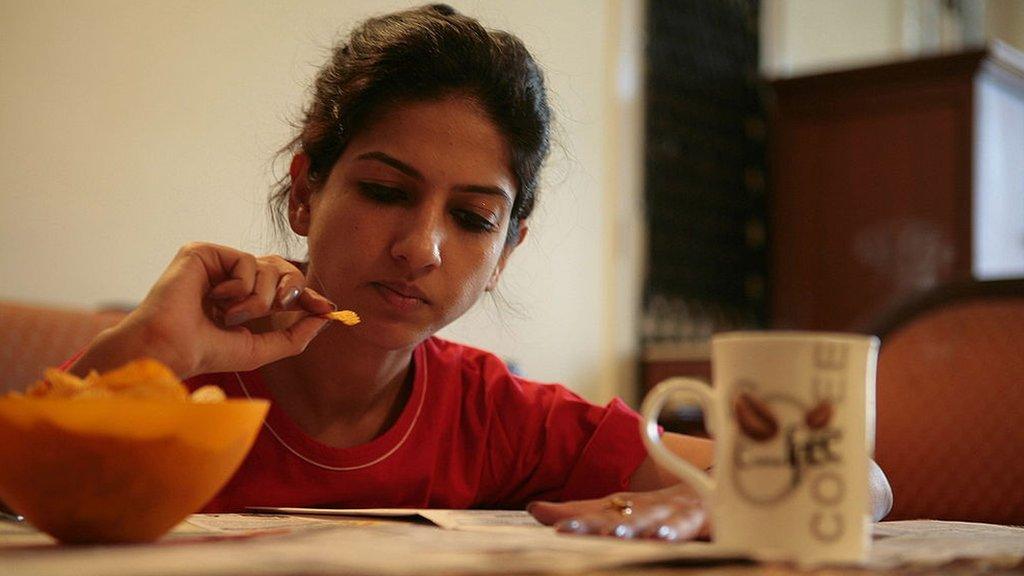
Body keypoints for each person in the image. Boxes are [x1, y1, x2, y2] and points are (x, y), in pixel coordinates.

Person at [65, 4, 891, 540]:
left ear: (508, 252)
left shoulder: (496, 418)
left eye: (472, 218)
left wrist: (721, 499)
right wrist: (158, 345)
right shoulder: (176, 374)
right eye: (387, 191)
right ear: (305, 192)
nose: (422, 248)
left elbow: (855, 480)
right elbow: (22, 503)